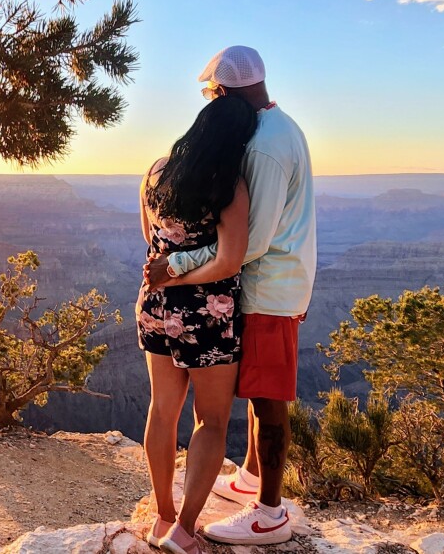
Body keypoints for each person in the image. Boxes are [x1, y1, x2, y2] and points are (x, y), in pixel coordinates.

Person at [145, 45, 316, 546]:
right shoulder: (276, 132)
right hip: (229, 300)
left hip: (262, 288)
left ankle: (268, 510)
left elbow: (248, 246)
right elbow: (234, 244)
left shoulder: (257, 147)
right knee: (232, 404)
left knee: (266, 400)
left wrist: (172, 268)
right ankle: (246, 478)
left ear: (223, 95)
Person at [135, 93, 259, 554]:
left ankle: (162, 516)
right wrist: (185, 273)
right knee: (210, 420)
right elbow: (230, 261)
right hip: (208, 315)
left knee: (161, 411)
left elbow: (151, 238)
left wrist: (168, 272)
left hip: (155, 305)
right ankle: (184, 530)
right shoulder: (229, 184)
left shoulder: (155, 171)